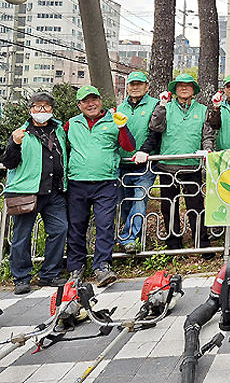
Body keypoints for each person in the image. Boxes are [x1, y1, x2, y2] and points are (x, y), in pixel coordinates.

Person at [65, 86, 135, 286]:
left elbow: (129, 147)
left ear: (100, 101)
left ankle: (102, 267)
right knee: (76, 227)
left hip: (106, 183)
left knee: (105, 226)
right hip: (77, 182)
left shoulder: (114, 121)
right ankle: (76, 269)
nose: (91, 104)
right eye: (85, 101)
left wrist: (122, 127)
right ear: (79, 105)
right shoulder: (71, 123)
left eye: (94, 99)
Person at [2, 92, 68, 294]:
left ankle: (49, 274)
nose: (42, 110)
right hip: (27, 192)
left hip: (54, 191)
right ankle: (21, 278)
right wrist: (15, 144)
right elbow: (9, 162)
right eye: (37, 106)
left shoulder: (59, 131)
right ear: (30, 109)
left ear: (52, 109)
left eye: (46, 106)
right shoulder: (21, 132)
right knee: (22, 236)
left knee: (59, 230)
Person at [148, 73, 216, 252]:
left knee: (196, 206)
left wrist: (208, 149)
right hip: (167, 166)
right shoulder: (165, 107)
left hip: (192, 166)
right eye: (180, 85)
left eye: (188, 85)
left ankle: (202, 244)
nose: (184, 88)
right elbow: (155, 126)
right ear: (175, 89)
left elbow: (207, 135)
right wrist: (161, 107)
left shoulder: (202, 109)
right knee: (168, 206)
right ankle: (173, 244)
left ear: (194, 89)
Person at [116, 71, 159, 253]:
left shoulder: (155, 105)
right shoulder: (119, 108)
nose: (135, 88)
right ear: (127, 87)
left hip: (145, 164)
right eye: (132, 84)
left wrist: (144, 150)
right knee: (125, 202)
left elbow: (156, 132)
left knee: (139, 200)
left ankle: (129, 238)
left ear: (146, 87)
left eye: (139, 84)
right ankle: (132, 237)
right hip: (123, 164)